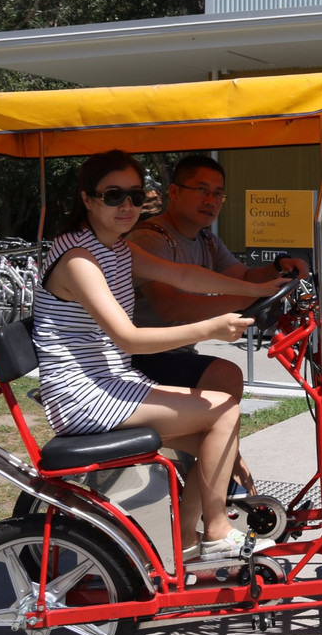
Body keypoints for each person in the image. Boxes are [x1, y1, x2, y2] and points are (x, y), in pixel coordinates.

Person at [32, 150, 289, 561]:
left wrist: (259, 290)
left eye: (135, 196)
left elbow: (184, 275)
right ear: (88, 198)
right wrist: (212, 328)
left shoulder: (114, 247)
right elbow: (129, 339)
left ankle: (186, 544)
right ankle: (216, 531)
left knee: (213, 433)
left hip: (111, 383)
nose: (127, 206)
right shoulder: (79, 258)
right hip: (82, 394)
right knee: (223, 410)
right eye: (114, 195)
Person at [126, 154, 310, 495]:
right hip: (140, 358)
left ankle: (213, 482)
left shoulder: (206, 240)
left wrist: (278, 267)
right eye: (201, 190)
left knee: (222, 403)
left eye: (218, 194)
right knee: (225, 377)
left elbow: (240, 276)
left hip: (173, 356)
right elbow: (171, 306)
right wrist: (250, 297)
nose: (211, 200)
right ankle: (218, 487)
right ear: (174, 192)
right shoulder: (150, 239)